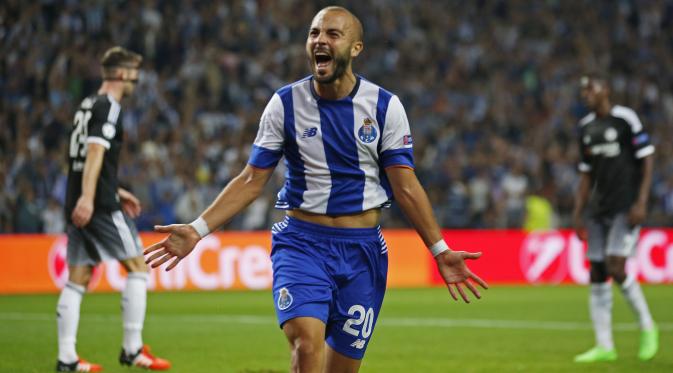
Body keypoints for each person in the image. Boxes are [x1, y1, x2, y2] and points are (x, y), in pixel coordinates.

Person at [145, 6, 487, 372]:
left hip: (363, 253)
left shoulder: (385, 107)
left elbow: (405, 187)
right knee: (307, 345)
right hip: (302, 243)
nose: (320, 40)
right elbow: (251, 179)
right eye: (314, 33)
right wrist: (198, 229)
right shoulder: (285, 104)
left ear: (356, 48)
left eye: (333, 34)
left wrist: (439, 250)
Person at [57, 46, 171, 372]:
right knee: (138, 268)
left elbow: (80, 158)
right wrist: (92, 198)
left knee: (78, 277)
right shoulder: (110, 107)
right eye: (134, 74)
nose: (136, 80)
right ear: (121, 74)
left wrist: (112, 189)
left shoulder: (86, 105)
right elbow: (94, 153)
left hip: (81, 197)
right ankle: (133, 349)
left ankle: (67, 358)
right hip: (98, 206)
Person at [572, 73, 659, 363]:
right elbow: (585, 175)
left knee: (616, 266)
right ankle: (604, 346)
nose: (587, 94)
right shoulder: (585, 128)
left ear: (605, 90)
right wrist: (577, 212)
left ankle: (647, 327)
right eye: (583, 91)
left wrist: (641, 201)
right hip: (598, 209)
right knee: (597, 272)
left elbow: (647, 158)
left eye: (591, 89)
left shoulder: (626, 119)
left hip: (625, 205)